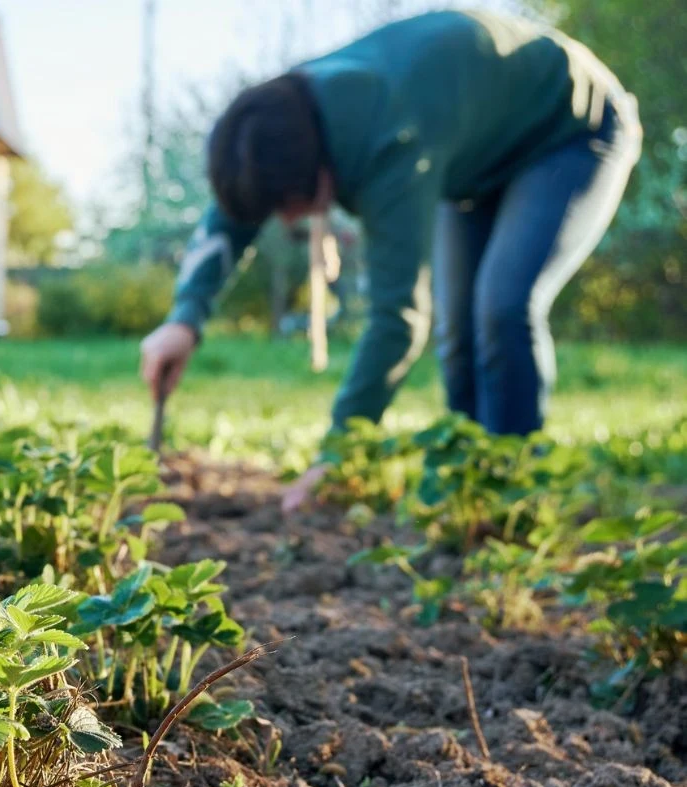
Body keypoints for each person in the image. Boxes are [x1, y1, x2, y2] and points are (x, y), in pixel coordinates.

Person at [138, 10, 641, 512]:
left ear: (314, 174)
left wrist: (337, 452)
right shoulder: (282, 120)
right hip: (480, 159)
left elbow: (397, 318)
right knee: (459, 329)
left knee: (501, 306)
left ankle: (514, 493)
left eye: (285, 208)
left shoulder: (387, 141)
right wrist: (185, 317)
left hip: (572, 129)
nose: (287, 222)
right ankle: (470, 488)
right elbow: (240, 198)